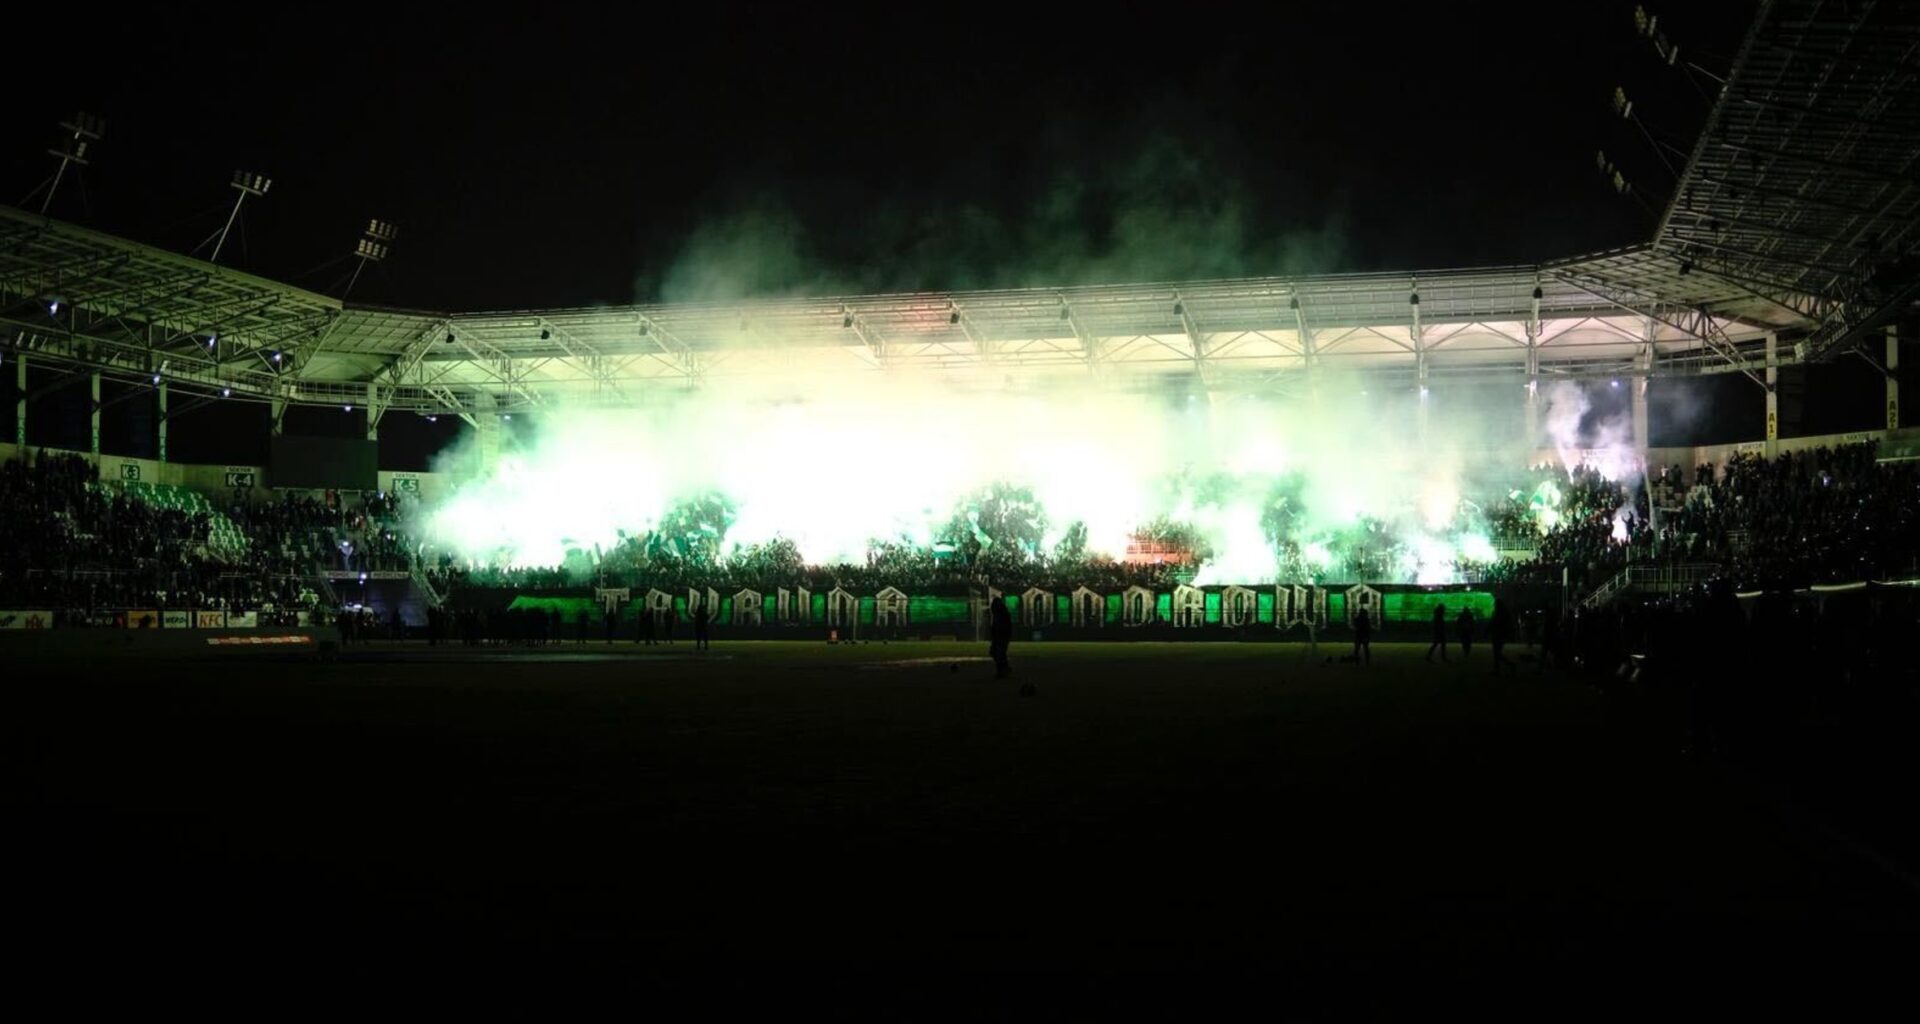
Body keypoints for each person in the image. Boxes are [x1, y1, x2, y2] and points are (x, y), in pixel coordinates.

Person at [988, 597, 1015, 682]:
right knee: (997, 653)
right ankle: (1005, 668)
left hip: (1001, 636)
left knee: (998, 653)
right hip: (1000, 636)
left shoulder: (1001, 614)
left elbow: (1003, 626)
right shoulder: (1001, 614)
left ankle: (1001, 670)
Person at [1490, 600, 1514, 674]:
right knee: (1497, 653)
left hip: (1498, 635)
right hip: (1501, 635)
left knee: (1497, 653)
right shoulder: (1504, 612)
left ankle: (1508, 665)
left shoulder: (1499, 613)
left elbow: (1494, 623)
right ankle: (1498, 668)